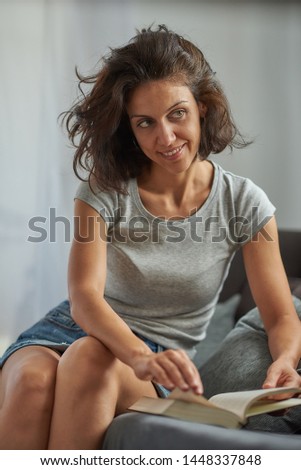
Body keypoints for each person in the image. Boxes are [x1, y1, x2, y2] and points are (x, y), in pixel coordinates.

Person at [0, 24, 301, 450]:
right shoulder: (103, 190)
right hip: (70, 329)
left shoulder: (244, 202)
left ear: (202, 107)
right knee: (31, 379)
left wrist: (287, 360)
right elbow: (85, 296)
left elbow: (281, 316)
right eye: (145, 123)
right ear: (130, 128)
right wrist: (139, 355)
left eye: (177, 114)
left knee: (89, 359)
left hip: (154, 360)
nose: (165, 138)